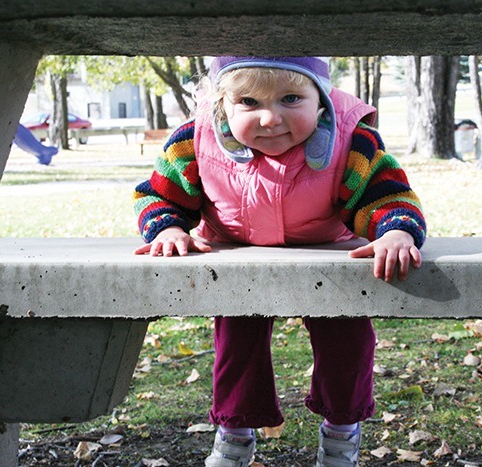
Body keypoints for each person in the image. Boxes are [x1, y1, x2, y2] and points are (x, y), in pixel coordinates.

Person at [134, 56, 426, 467]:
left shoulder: (349, 138)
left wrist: (395, 231)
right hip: (237, 254)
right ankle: (234, 432)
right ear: (223, 105)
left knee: (347, 339)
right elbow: (160, 194)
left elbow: (386, 194)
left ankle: (342, 429)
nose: (270, 118)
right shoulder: (196, 137)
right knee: (237, 338)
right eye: (249, 102)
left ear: (321, 99)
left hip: (327, 253)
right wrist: (167, 228)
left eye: (291, 98)